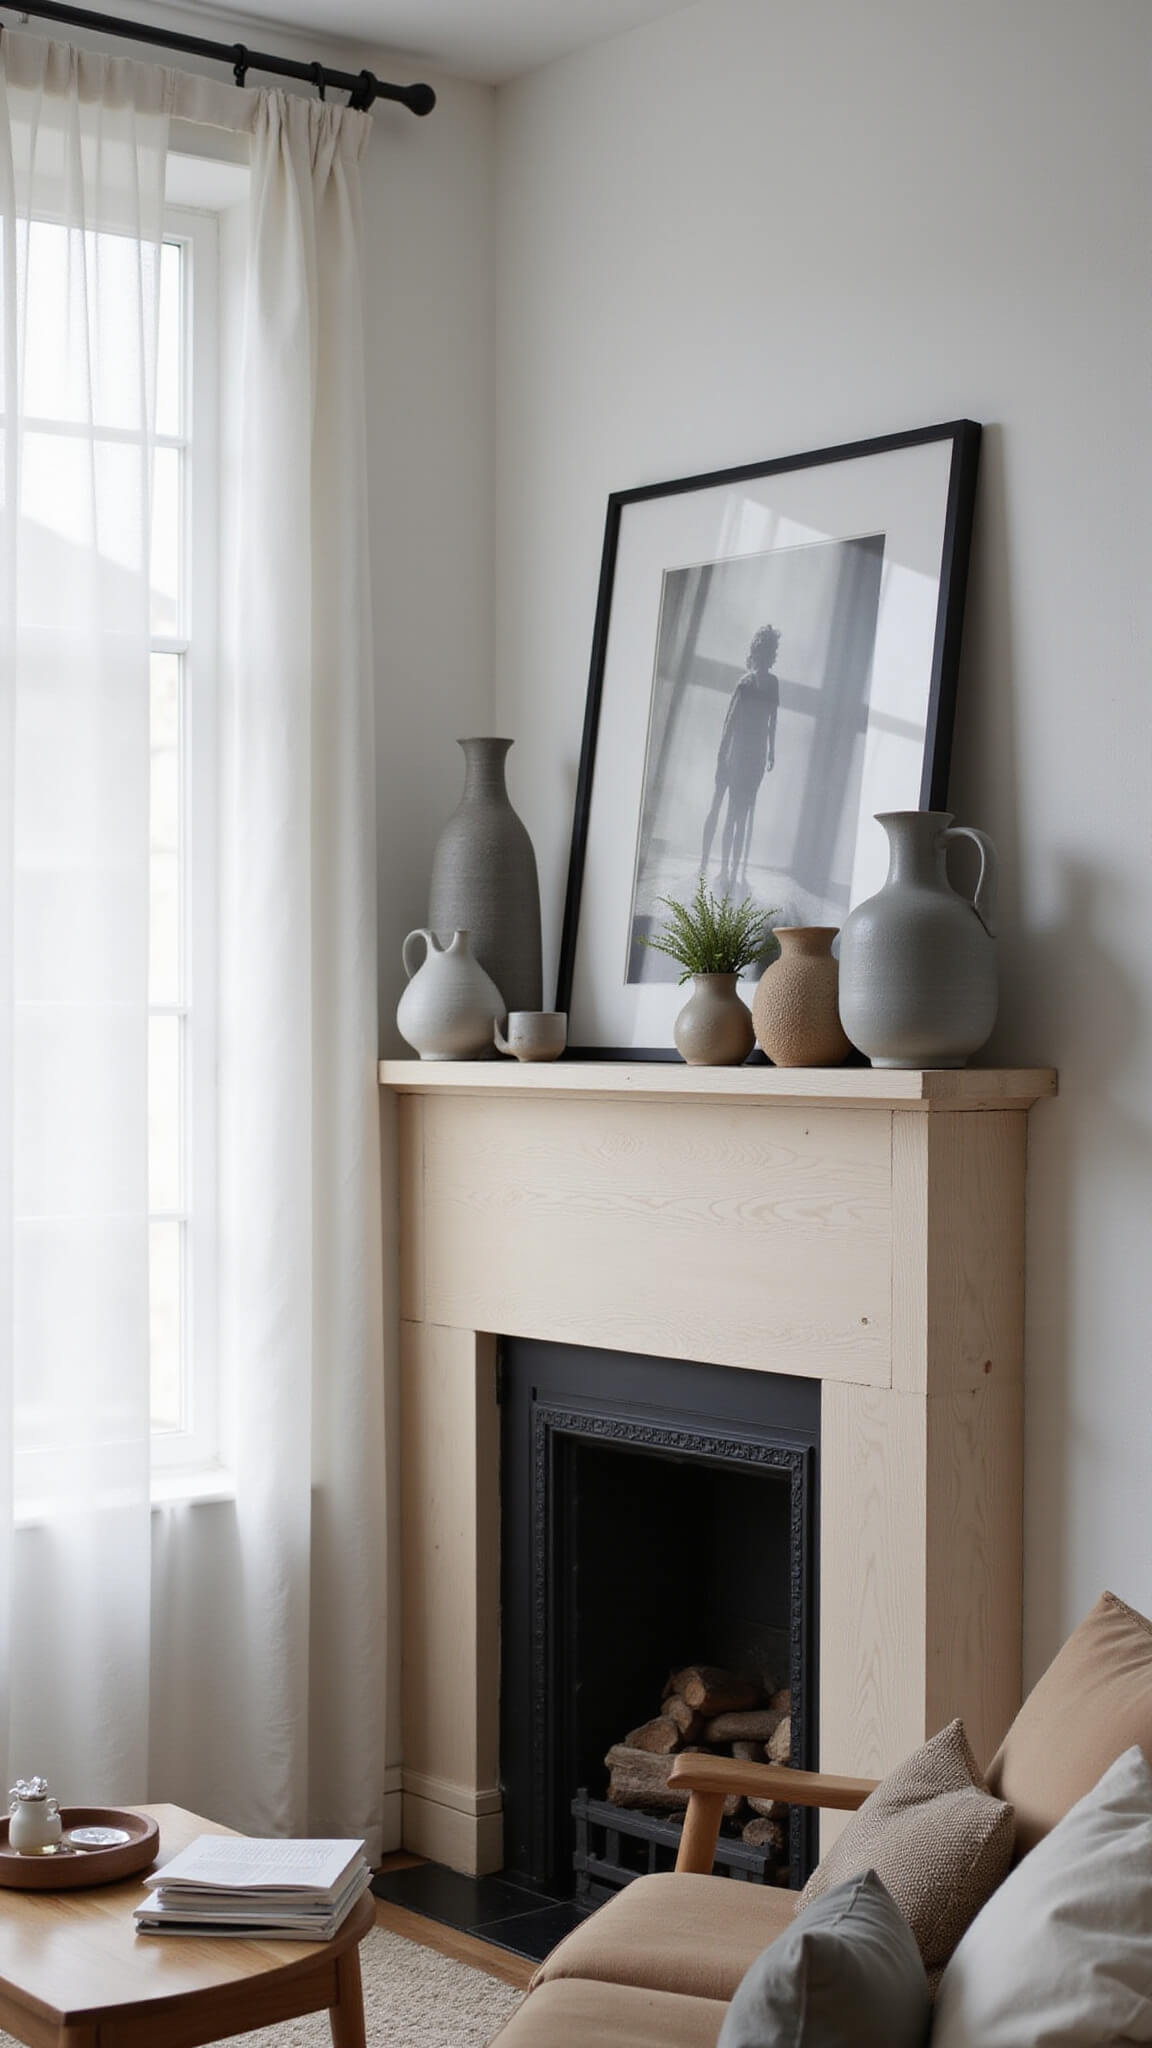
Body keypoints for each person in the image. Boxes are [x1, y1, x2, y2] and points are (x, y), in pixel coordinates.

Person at [700, 623, 780, 891]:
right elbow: (732, 721)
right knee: (726, 809)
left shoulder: (762, 683)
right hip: (739, 752)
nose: (769, 657)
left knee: (735, 813)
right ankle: (716, 867)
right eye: (768, 651)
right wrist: (723, 754)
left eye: (771, 652)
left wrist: (771, 750)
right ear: (762, 653)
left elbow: (769, 720)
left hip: (749, 754)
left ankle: (728, 870)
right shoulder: (748, 683)